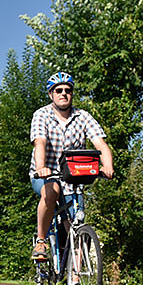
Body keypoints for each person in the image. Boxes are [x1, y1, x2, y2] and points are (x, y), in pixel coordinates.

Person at [30, 72, 114, 268]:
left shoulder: (83, 116)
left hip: (73, 176)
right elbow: (40, 143)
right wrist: (41, 167)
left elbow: (100, 144)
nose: (63, 94)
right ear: (51, 94)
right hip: (46, 174)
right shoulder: (41, 115)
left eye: (68, 90)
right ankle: (41, 241)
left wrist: (108, 166)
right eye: (58, 90)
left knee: (75, 222)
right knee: (52, 191)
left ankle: (75, 279)